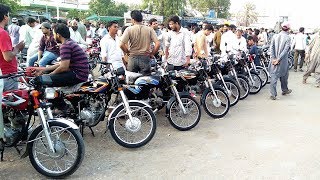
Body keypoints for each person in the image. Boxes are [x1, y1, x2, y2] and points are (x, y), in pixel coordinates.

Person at [0, 4, 25, 156]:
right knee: (12, 107)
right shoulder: (2, 33)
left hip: (4, 74)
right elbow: (8, 56)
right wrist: (19, 48)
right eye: (8, 15)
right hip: (7, 74)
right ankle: (14, 135)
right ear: (5, 16)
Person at [120, 10, 160, 75]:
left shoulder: (129, 29)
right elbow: (157, 44)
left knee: (131, 81)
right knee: (145, 81)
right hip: (145, 58)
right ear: (141, 19)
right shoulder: (149, 29)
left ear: (133, 19)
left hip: (132, 58)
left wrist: (128, 52)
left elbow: (121, 45)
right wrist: (152, 54)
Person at [269, 21, 292, 100]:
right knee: (284, 75)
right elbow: (285, 50)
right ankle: (284, 90)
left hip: (274, 60)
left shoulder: (275, 36)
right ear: (288, 29)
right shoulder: (288, 37)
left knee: (274, 76)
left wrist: (273, 58)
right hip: (282, 61)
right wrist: (278, 59)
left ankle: (274, 94)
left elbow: (271, 47)